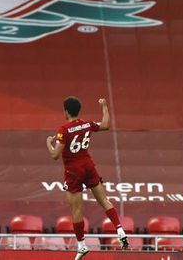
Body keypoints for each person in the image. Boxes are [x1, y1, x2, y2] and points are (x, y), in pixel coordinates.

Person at [46, 97, 128, 260]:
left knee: (76, 210)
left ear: (66, 111)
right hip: (88, 165)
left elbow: (55, 154)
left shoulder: (64, 129)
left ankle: (82, 246)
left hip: (73, 171)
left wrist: (49, 142)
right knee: (104, 200)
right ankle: (119, 229)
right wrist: (104, 106)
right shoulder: (87, 124)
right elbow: (105, 125)